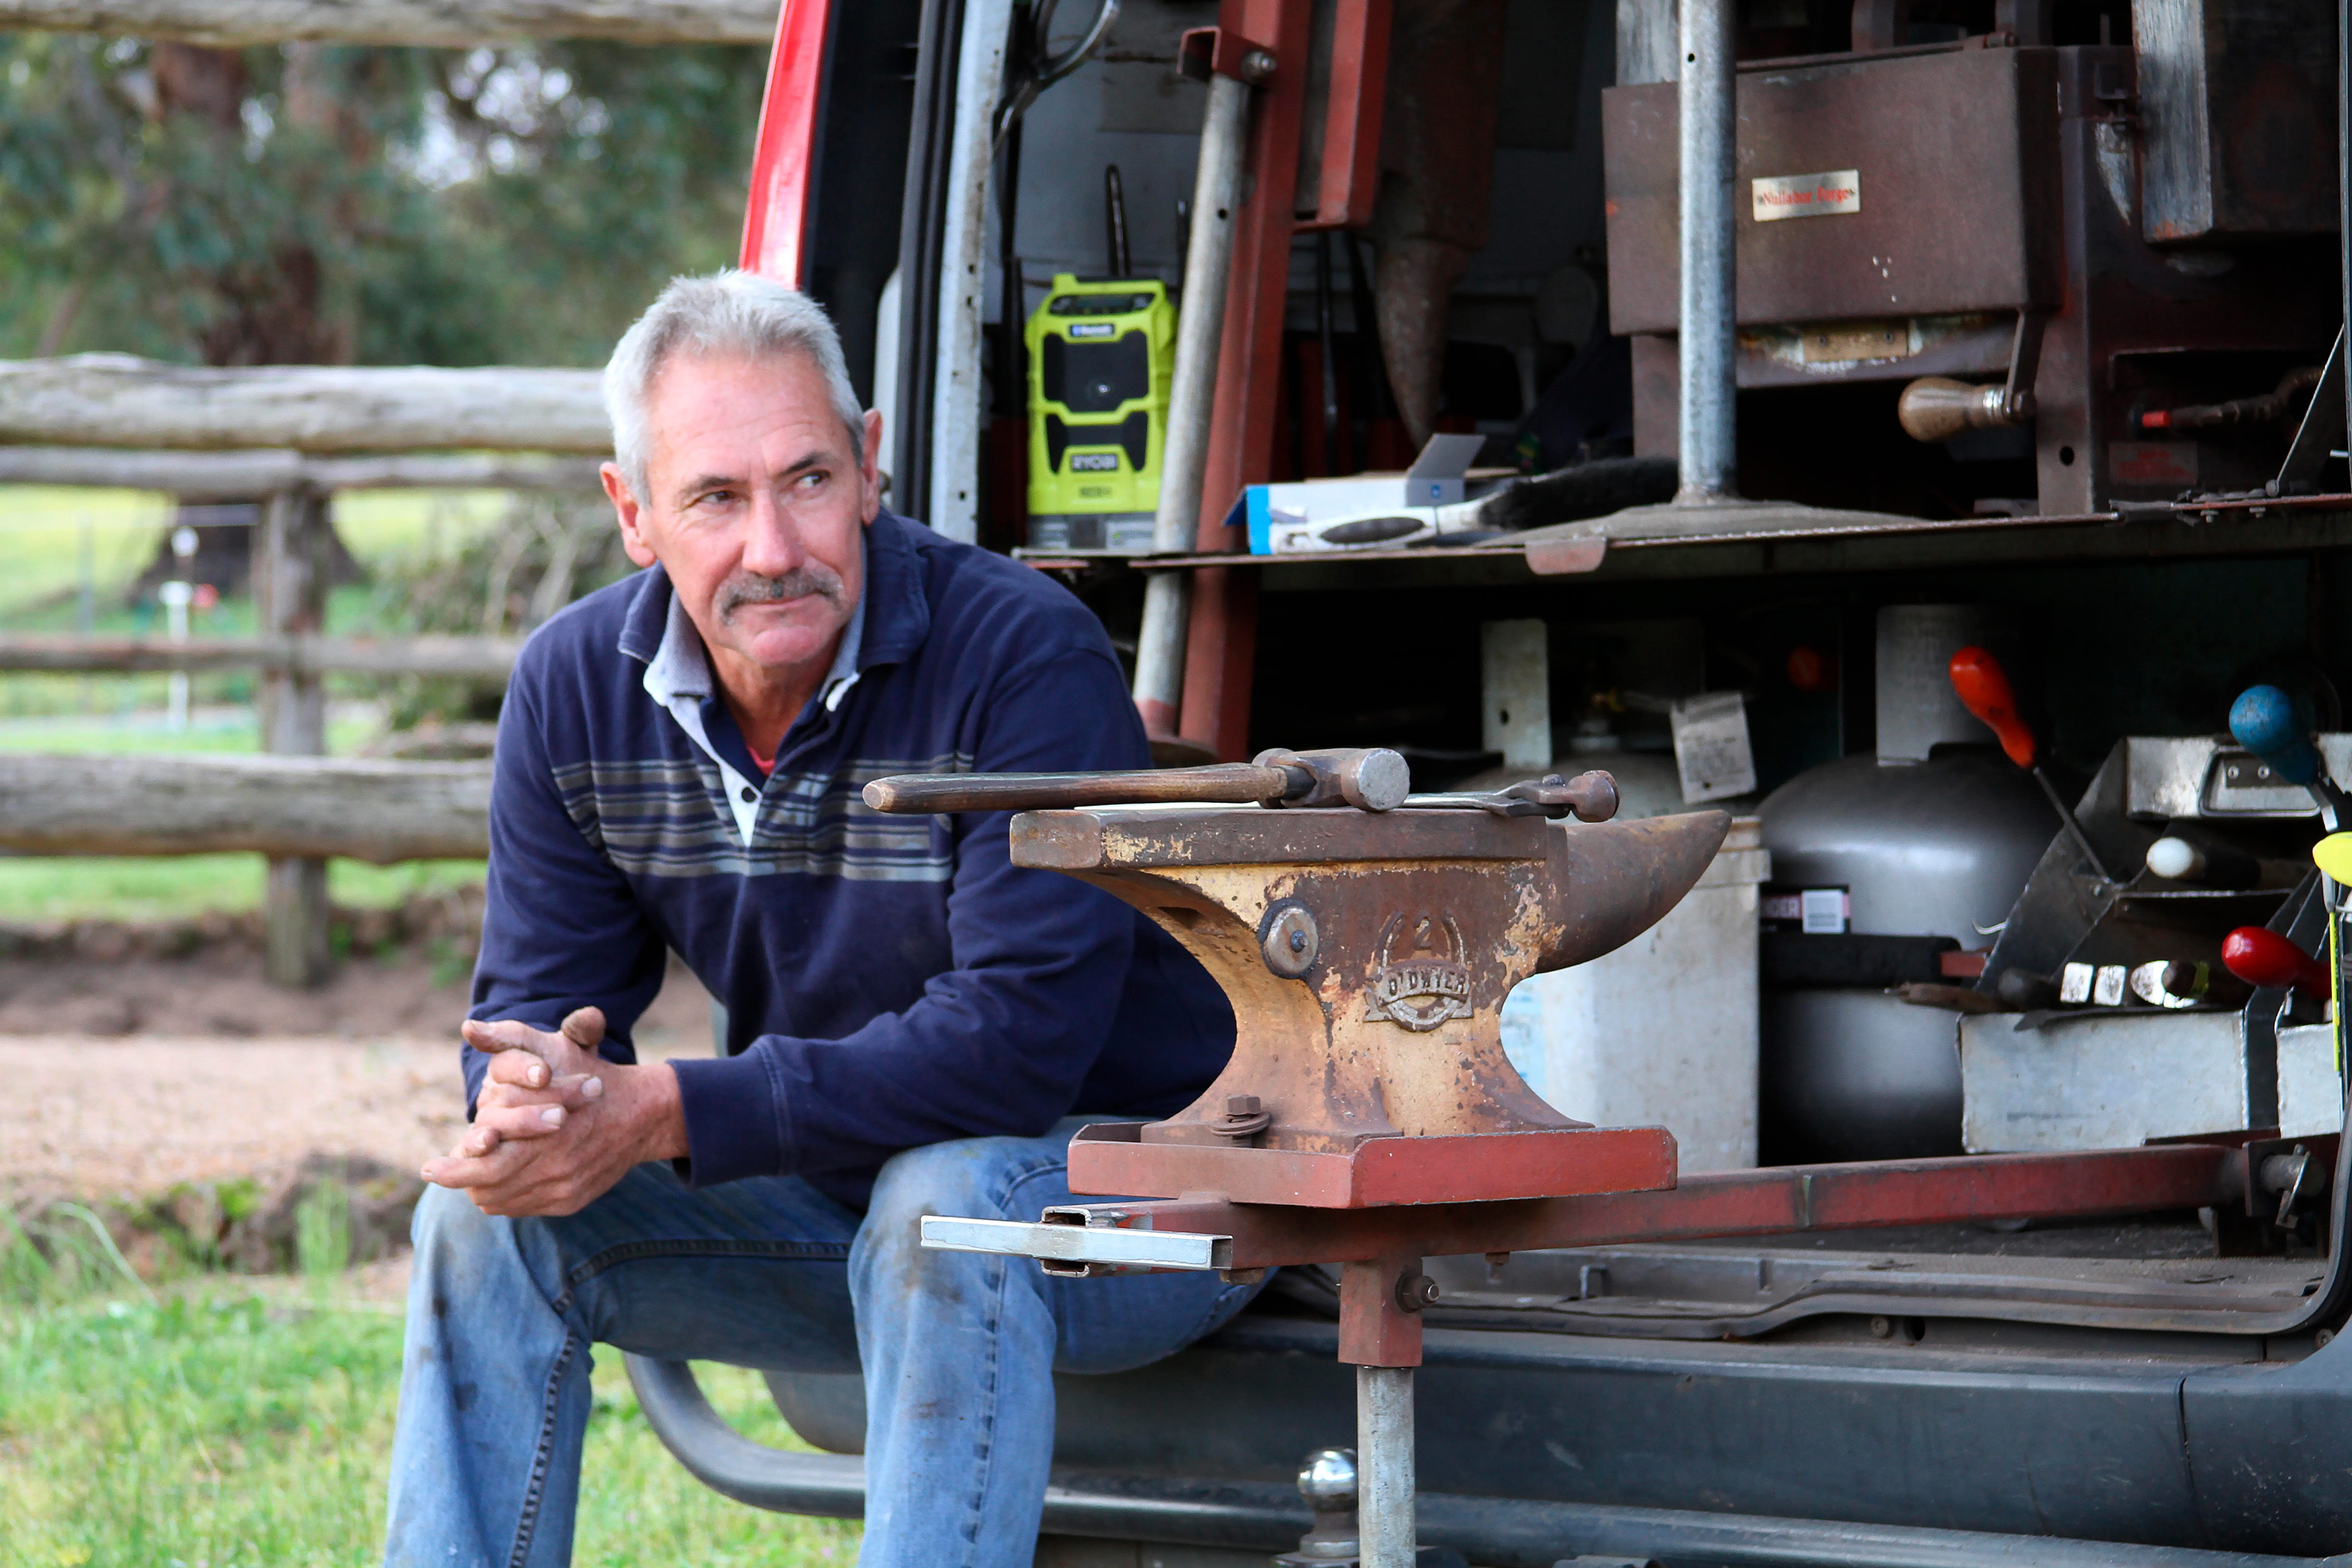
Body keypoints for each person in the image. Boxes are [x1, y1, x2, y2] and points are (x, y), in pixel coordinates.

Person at [383, 271, 1247, 1568]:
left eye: (806, 481)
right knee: (481, 1215)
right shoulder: (574, 689)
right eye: (716, 499)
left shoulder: (1023, 655)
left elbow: (1016, 1044)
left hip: (1152, 1200)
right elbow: (524, 1010)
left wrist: (672, 1109)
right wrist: (529, 1100)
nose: (772, 548)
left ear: (871, 464)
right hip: (846, 1207)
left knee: (942, 1198)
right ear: (634, 514)